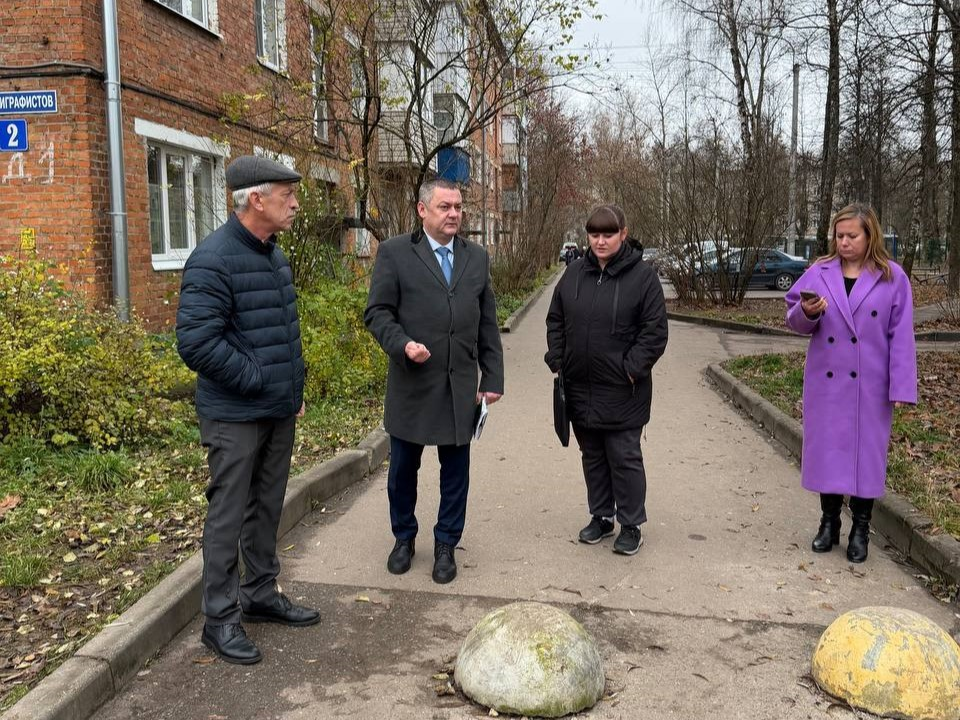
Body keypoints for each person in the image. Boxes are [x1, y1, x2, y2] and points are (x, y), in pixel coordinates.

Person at [176, 155, 320, 665]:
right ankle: (219, 619)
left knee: (267, 505)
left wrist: (291, 388)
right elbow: (195, 342)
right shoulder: (213, 258)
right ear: (255, 199)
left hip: (277, 410)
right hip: (234, 414)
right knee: (227, 514)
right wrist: (258, 379)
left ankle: (260, 593)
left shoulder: (273, 255)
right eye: (287, 195)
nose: (296, 204)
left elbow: (282, 329)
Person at [364, 177, 505, 584]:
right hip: (412, 381)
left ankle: (446, 544)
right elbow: (377, 313)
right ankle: (404, 538)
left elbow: (488, 323)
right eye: (445, 207)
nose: (454, 214)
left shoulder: (476, 258)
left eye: (458, 207)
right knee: (403, 469)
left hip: (459, 384)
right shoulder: (394, 254)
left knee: (455, 471)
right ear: (422, 210)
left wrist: (492, 377)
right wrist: (403, 344)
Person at [785, 203, 917, 563]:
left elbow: (901, 336)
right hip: (826, 384)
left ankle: (861, 529)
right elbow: (793, 317)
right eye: (839, 235)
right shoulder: (820, 271)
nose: (843, 242)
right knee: (829, 454)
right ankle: (828, 524)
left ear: (869, 235)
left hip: (870, 386)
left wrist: (902, 388)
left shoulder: (892, 277)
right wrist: (806, 313)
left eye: (851, 236)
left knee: (865, 458)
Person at [544, 204, 668, 555]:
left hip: (623, 389)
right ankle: (601, 516)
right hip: (580, 386)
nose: (600, 241)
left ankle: (631, 524)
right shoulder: (574, 274)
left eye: (608, 234)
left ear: (623, 234)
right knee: (592, 455)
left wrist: (630, 368)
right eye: (594, 234)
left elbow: (655, 332)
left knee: (624, 456)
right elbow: (555, 318)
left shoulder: (643, 277)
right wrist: (557, 358)